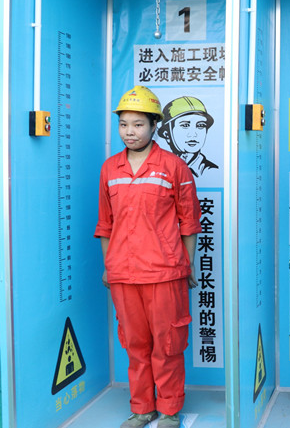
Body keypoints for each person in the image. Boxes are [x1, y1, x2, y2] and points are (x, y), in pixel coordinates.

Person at [95, 86, 202, 428]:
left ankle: (169, 408)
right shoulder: (110, 168)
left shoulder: (173, 167)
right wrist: (108, 266)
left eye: (138, 124)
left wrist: (187, 264)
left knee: (167, 345)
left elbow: (189, 221)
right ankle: (142, 408)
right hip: (124, 274)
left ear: (155, 125)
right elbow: (105, 223)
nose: (130, 132)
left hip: (164, 273)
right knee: (135, 345)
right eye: (124, 124)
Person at [158, 96, 218, 178]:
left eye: (200, 125)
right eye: (185, 125)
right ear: (167, 134)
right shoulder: (158, 169)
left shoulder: (212, 171)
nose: (193, 134)